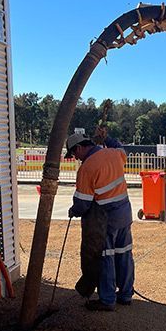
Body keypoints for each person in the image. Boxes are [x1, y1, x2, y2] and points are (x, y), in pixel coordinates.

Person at [65, 130, 134, 311]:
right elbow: (120, 147)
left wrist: (73, 211)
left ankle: (107, 299)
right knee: (124, 253)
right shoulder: (114, 154)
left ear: (79, 148)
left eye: (73, 154)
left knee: (105, 257)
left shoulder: (87, 168)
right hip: (125, 213)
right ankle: (126, 295)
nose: (75, 158)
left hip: (106, 219)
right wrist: (107, 139)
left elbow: (82, 204)